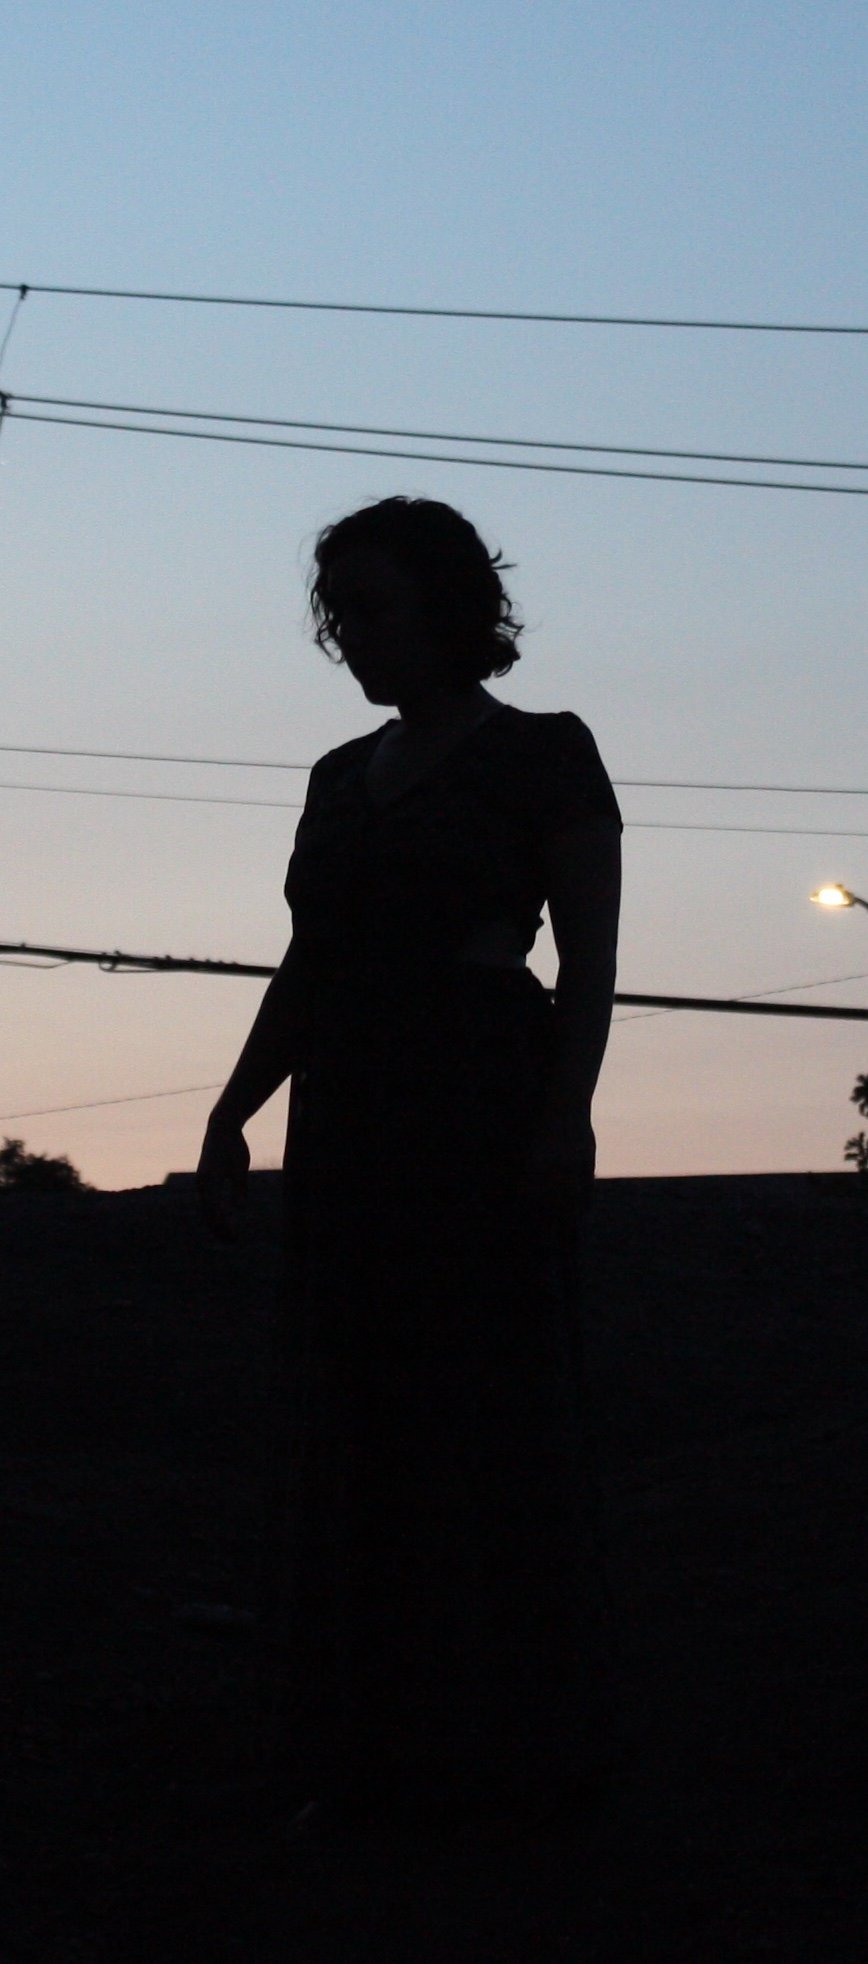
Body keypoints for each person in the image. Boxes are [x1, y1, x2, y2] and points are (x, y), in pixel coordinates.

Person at [196, 495, 622, 1824]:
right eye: (340, 614)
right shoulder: (338, 776)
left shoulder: (545, 753)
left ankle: (511, 1750)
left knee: (485, 1417)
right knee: (357, 1417)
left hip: (477, 1104)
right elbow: (311, 960)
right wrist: (233, 1108)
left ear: (447, 607)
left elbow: (593, 963)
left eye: (374, 608)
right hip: (353, 1119)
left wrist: (565, 1116)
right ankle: (366, 1743)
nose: (353, 636)